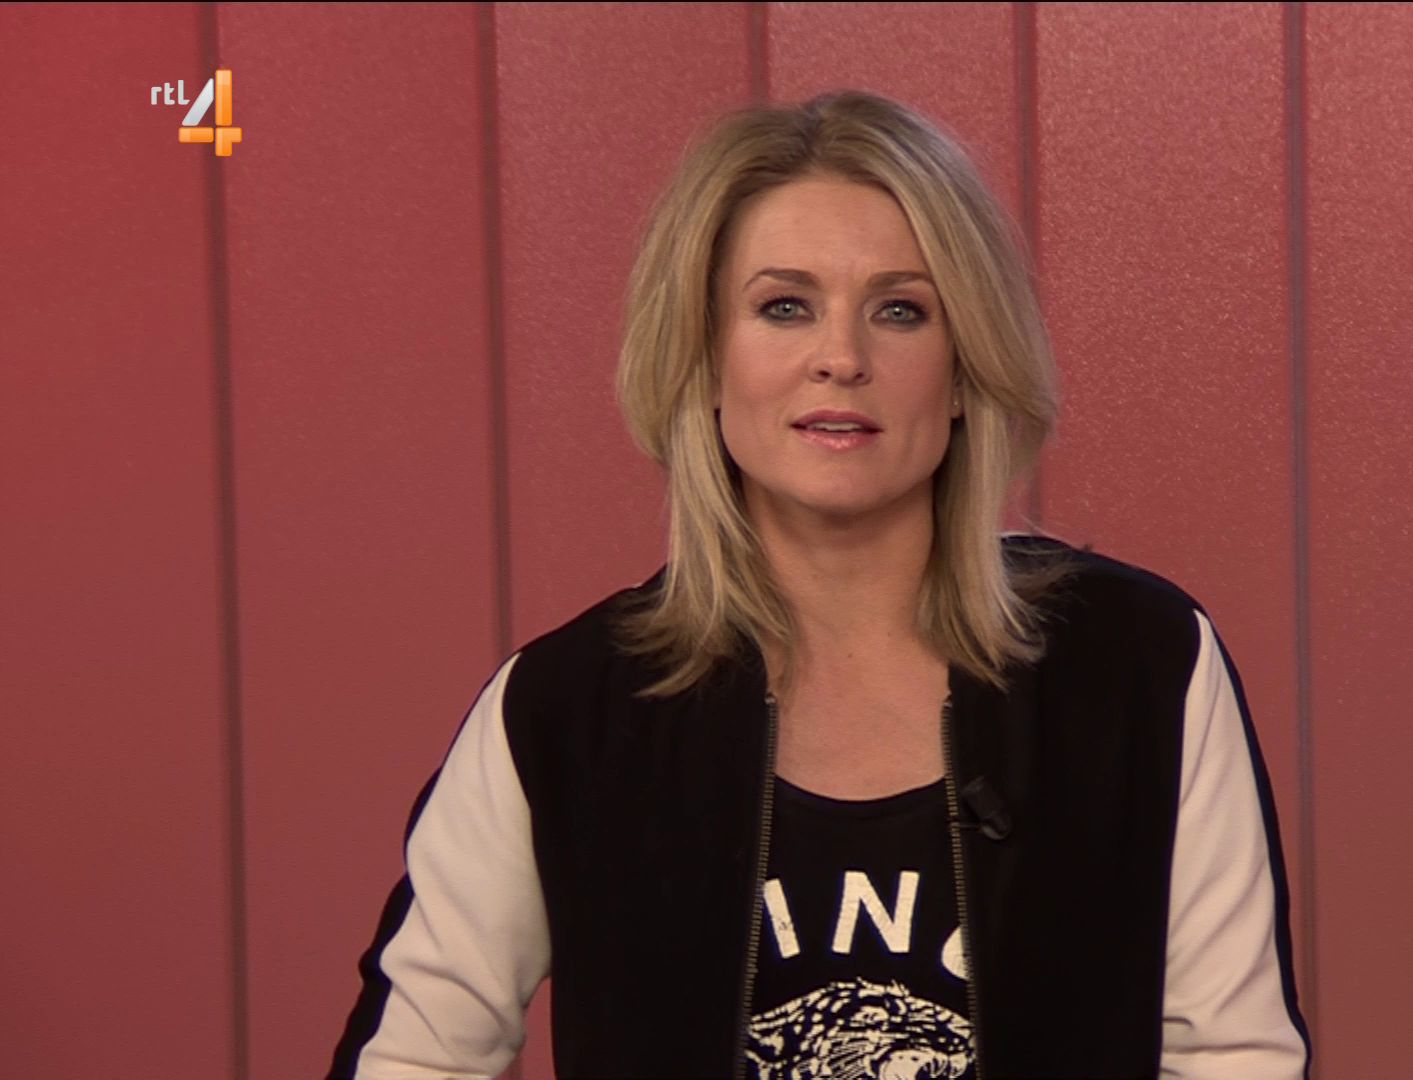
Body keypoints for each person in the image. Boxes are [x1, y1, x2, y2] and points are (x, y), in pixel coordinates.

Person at [328, 89, 1312, 1080]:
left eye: (900, 310)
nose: (841, 359)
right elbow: (411, 1058)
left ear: (964, 368)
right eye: (784, 307)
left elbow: (1237, 1057)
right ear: (706, 358)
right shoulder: (564, 710)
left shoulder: (1143, 665)